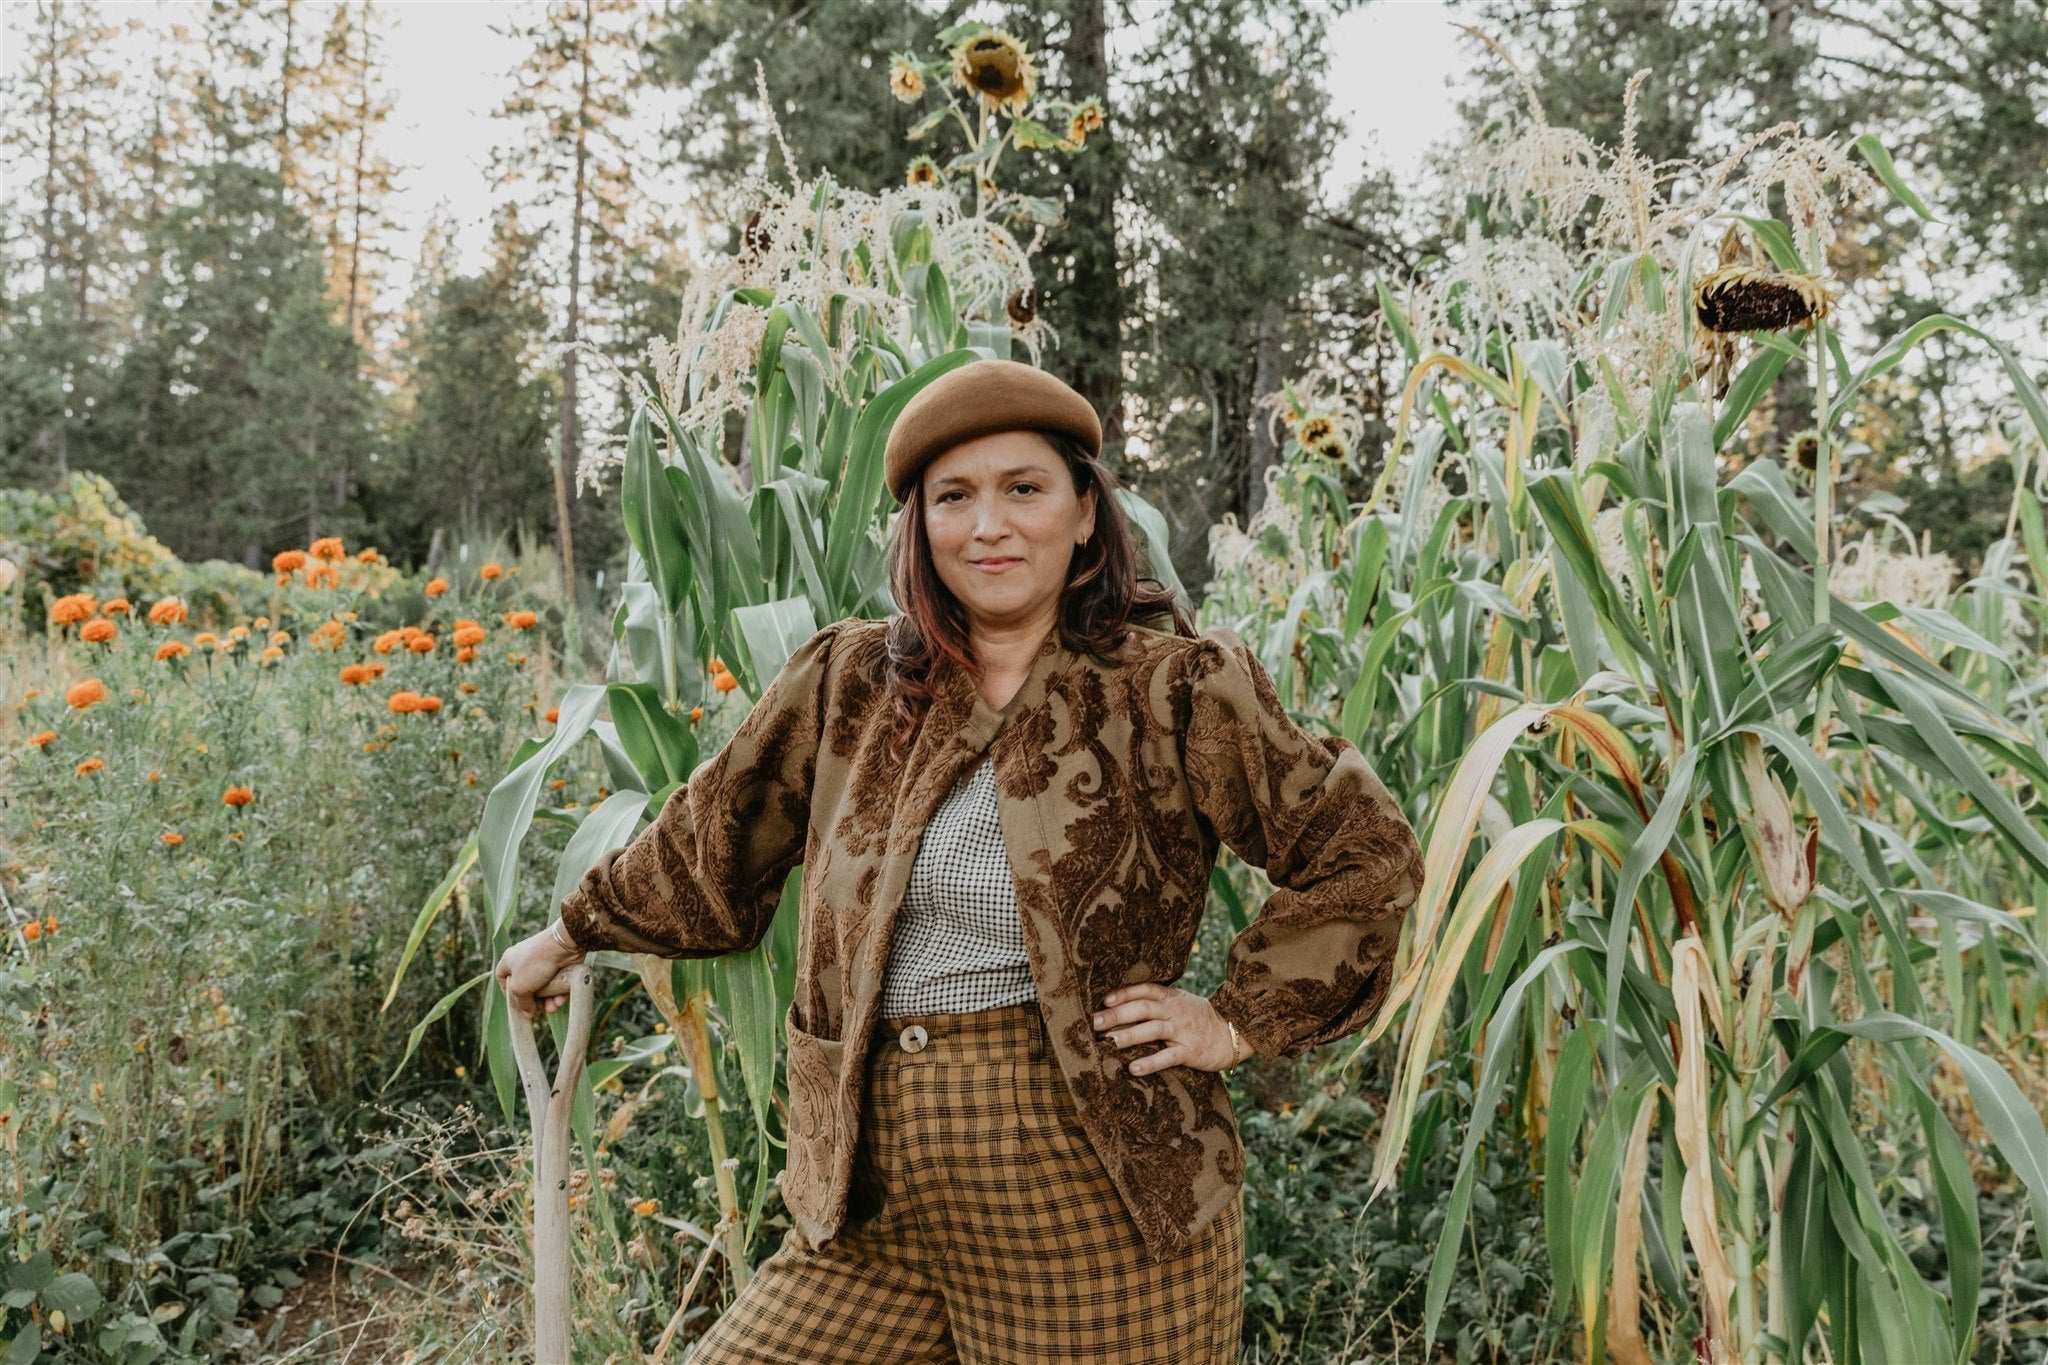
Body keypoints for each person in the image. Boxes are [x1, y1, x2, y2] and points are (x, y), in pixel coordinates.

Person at [496, 357, 1427, 1362]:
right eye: (954, 497)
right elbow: (711, 836)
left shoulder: (1173, 690)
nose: (988, 526)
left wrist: (1234, 1021)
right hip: (865, 1205)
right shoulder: (849, 683)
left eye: (1023, 488)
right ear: (919, 525)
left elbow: (1362, 850)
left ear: (1084, 513)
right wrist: (570, 933)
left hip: (1094, 1205)